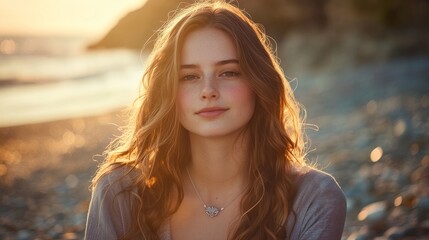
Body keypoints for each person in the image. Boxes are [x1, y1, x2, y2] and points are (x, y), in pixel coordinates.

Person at [84, 1, 346, 239]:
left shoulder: (314, 196)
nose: (208, 90)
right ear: (167, 91)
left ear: (258, 82)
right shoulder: (118, 193)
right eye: (189, 76)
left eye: (228, 72)